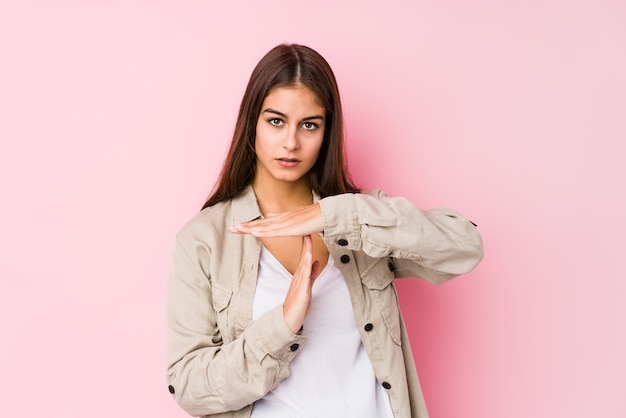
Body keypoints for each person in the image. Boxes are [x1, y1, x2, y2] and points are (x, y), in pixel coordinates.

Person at [166, 43, 483, 418]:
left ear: (327, 132)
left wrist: (337, 216)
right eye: (276, 121)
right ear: (251, 121)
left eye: (310, 125)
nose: (291, 142)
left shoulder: (360, 218)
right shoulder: (205, 239)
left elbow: (465, 246)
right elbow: (190, 388)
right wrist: (282, 325)